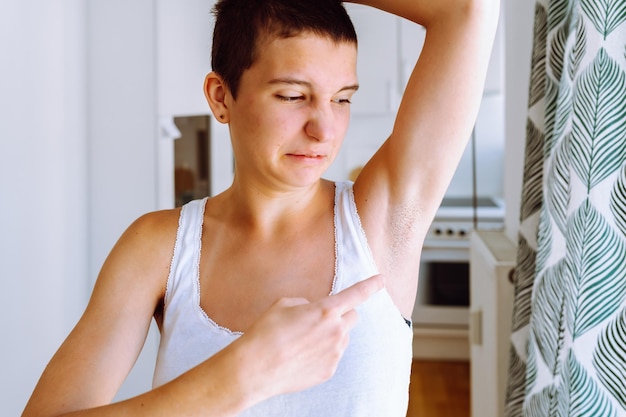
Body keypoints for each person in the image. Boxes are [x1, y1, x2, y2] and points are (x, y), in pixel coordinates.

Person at [23, 0, 499, 415]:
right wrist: (241, 376)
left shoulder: (378, 220)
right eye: (293, 96)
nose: (324, 129)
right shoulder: (158, 248)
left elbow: (467, 8)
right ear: (221, 96)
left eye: (342, 99)